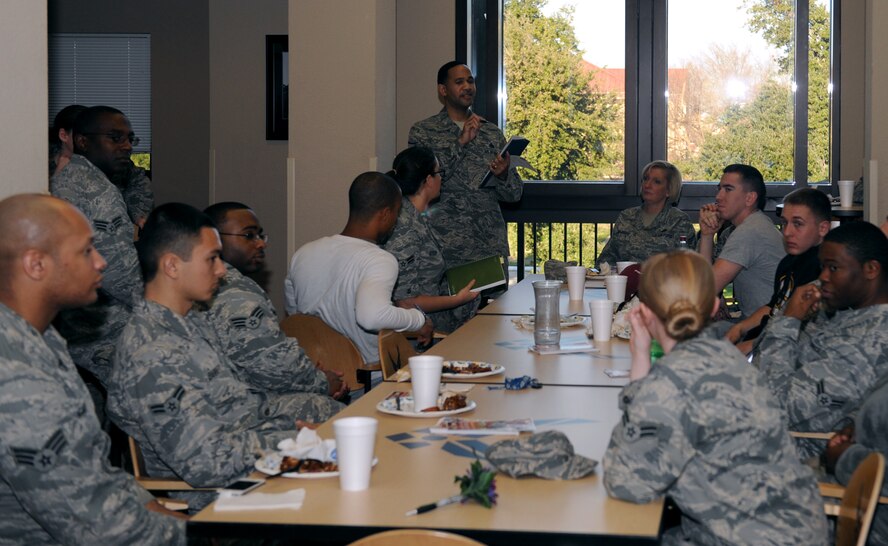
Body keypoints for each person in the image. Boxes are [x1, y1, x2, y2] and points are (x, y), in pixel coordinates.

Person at [108, 203, 343, 500]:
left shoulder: (187, 321)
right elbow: (207, 462)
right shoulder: (153, 353)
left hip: (249, 458)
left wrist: (296, 430)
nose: (221, 270)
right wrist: (292, 441)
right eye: (211, 259)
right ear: (171, 266)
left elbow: (237, 409)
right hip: (221, 495)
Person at [603, 250, 827, 546]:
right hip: (802, 529)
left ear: (643, 313)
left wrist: (639, 362)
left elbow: (627, 484)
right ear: (714, 307)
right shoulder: (732, 360)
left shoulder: (668, 383)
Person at [0, 194, 185, 544]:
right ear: (36, 265)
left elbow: (97, 475)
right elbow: (94, 524)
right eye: (86, 251)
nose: (101, 263)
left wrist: (173, 519)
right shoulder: (15, 373)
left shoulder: (42, 338)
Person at [753, 222, 888, 458]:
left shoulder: (868, 343)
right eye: (822, 267)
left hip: (787, 461)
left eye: (833, 268)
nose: (823, 277)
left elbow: (774, 407)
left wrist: (789, 321)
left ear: (871, 270)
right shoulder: (843, 307)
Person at [202, 202, 348, 400]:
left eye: (260, 235)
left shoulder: (198, 284)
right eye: (249, 235)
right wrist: (324, 381)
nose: (261, 243)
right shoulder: (238, 297)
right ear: (213, 240)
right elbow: (274, 366)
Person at [285, 172, 433, 364]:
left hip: (318, 371)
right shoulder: (379, 259)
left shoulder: (303, 253)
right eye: (397, 213)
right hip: (368, 377)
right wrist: (418, 320)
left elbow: (296, 317)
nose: (396, 222)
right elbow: (372, 317)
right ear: (386, 214)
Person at [49, 105, 144, 389]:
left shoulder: (67, 179)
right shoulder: (96, 191)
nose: (126, 146)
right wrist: (166, 306)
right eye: (115, 138)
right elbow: (120, 275)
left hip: (70, 321)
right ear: (82, 142)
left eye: (129, 138)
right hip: (100, 327)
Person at [408, 61, 522, 276]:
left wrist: (504, 175)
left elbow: (514, 195)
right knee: (448, 308)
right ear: (443, 90)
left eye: (470, 81)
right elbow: (421, 183)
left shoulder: (491, 133)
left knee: (492, 310)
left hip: (488, 245)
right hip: (445, 248)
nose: (467, 86)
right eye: (459, 82)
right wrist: (459, 143)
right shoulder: (423, 132)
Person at [383, 147, 480, 333]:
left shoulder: (418, 216)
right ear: (428, 180)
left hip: (438, 323)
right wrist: (457, 300)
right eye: (439, 173)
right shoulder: (404, 228)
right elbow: (406, 302)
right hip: (421, 334)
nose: (441, 178)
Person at [726, 187, 831, 353]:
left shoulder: (824, 272)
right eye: (784, 223)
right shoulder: (788, 262)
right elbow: (773, 307)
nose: (787, 232)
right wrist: (739, 329)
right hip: (764, 337)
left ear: (823, 228)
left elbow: (803, 333)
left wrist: (748, 347)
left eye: (798, 224)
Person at [697, 163, 785, 319]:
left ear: (750, 198)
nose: (718, 197)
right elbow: (709, 281)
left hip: (765, 329)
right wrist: (707, 235)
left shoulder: (749, 232)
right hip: (759, 321)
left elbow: (705, 289)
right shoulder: (755, 223)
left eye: (728, 190)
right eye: (719, 189)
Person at [822, 372, 888, 546]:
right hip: (843, 494)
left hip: (872, 526)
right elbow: (869, 401)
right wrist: (852, 428)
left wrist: (845, 458)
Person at [596, 160, 695, 268]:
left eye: (656, 181)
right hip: (624, 282)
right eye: (646, 179)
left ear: (669, 190)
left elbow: (688, 266)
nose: (647, 185)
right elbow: (606, 259)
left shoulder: (679, 221)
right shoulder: (627, 216)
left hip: (662, 283)